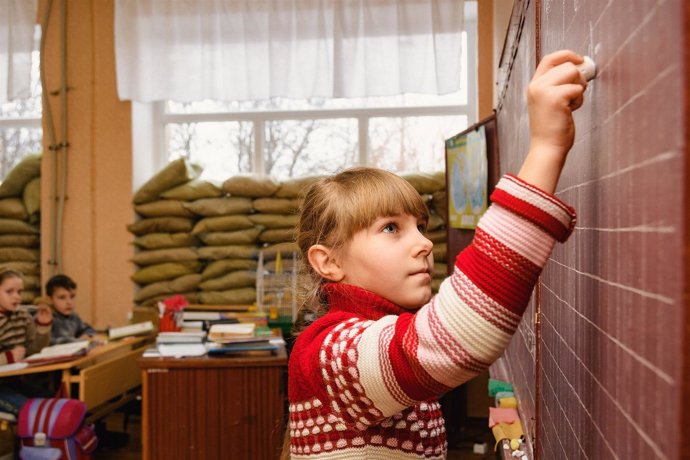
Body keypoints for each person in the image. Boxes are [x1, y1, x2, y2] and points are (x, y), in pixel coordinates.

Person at [285, 50, 588, 458]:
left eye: (420, 227)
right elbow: (455, 338)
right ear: (329, 262)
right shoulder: (329, 350)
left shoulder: (383, 334)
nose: (424, 244)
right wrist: (546, 148)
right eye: (391, 228)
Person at [0, 268, 52, 415]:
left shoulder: (23, 316)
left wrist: (43, 327)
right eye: (9, 292)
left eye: (19, 292)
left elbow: (34, 351)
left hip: (12, 382)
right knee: (31, 411)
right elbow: (11, 357)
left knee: (50, 400)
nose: (16, 297)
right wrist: (8, 357)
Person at [45, 274, 96, 345]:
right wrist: (77, 341)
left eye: (72, 297)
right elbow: (49, 342)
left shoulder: (73, 317)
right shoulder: (45, 319)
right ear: (49, 299)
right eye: (62, 297)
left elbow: (88, 329)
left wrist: (86, 335)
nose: (69, 302)